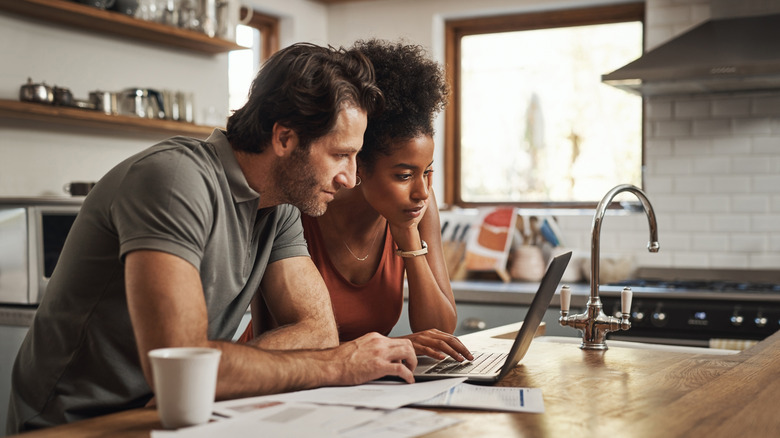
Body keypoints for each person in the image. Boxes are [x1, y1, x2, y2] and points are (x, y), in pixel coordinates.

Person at [7, 42, 418, 434]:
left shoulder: (280, 207)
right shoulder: (174, 180)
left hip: (180, 413)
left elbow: (317, 332)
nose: (348, 179)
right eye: (339, 154)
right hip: (79, 425)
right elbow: (184, 367)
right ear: (285, 138)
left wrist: (213, 375)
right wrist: (335, 365)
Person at [240, 39, 473, 363]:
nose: (422, 191)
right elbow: (284, 338)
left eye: (428, 172)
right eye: (404, 175)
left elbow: (441, 331)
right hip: (281, 376)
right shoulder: (302, 203)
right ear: (358, 164)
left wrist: (407, 237)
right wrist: (393, 346)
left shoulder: (416, 207)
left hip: (360, 382)